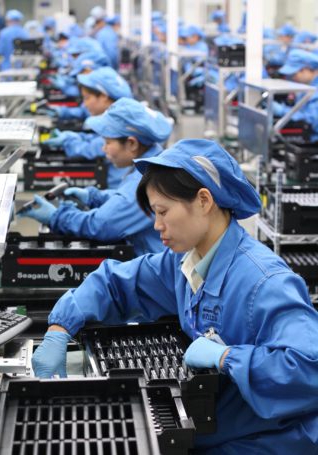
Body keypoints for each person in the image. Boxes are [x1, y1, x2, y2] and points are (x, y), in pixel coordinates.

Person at [31, 138, 318, 453]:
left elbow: (308, 368)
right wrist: (59, 327)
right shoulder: (184, 263)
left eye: (163, 211)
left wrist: (227, 358)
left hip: (267, 440)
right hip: (212, 428)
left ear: (204, 200)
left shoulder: (264, 283)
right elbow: (116, 283)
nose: (157, 225)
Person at [21, 98, 172, 256]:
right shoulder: (154, 164)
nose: (103, 148)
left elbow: (99, 226)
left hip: (150, 265)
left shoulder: (146, 181)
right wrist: (95, 197)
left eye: (107, 142)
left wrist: (56, 217)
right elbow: (127, 201)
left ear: (132, 144)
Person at [44, 66, 133, 189]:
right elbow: (97, 139)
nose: (84, 104)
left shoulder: (119, 124)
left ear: (104, 96)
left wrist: (69, 141)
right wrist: (74, 136)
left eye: (86, 98)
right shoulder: (118, 115)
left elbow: (93, 147)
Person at [273, 49, 318, 142]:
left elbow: (313, 122)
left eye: (294, 73)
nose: (293, 78)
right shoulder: (309, 87)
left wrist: (284, 111)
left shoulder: (314, 91)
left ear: (306, 69)